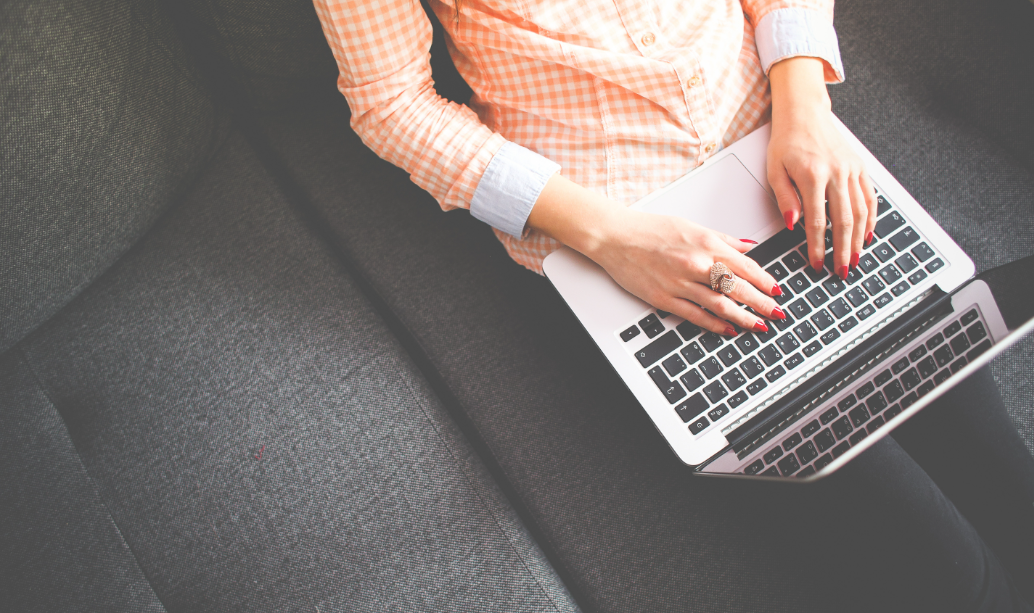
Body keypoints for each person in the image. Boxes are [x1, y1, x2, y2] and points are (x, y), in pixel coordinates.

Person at [314, 0, 1034, 608]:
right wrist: (614, 236)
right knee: (944, 565)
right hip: (622, 236)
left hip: (781, 150)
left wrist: (806, 104)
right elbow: (392, 103)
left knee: (1002, 475)